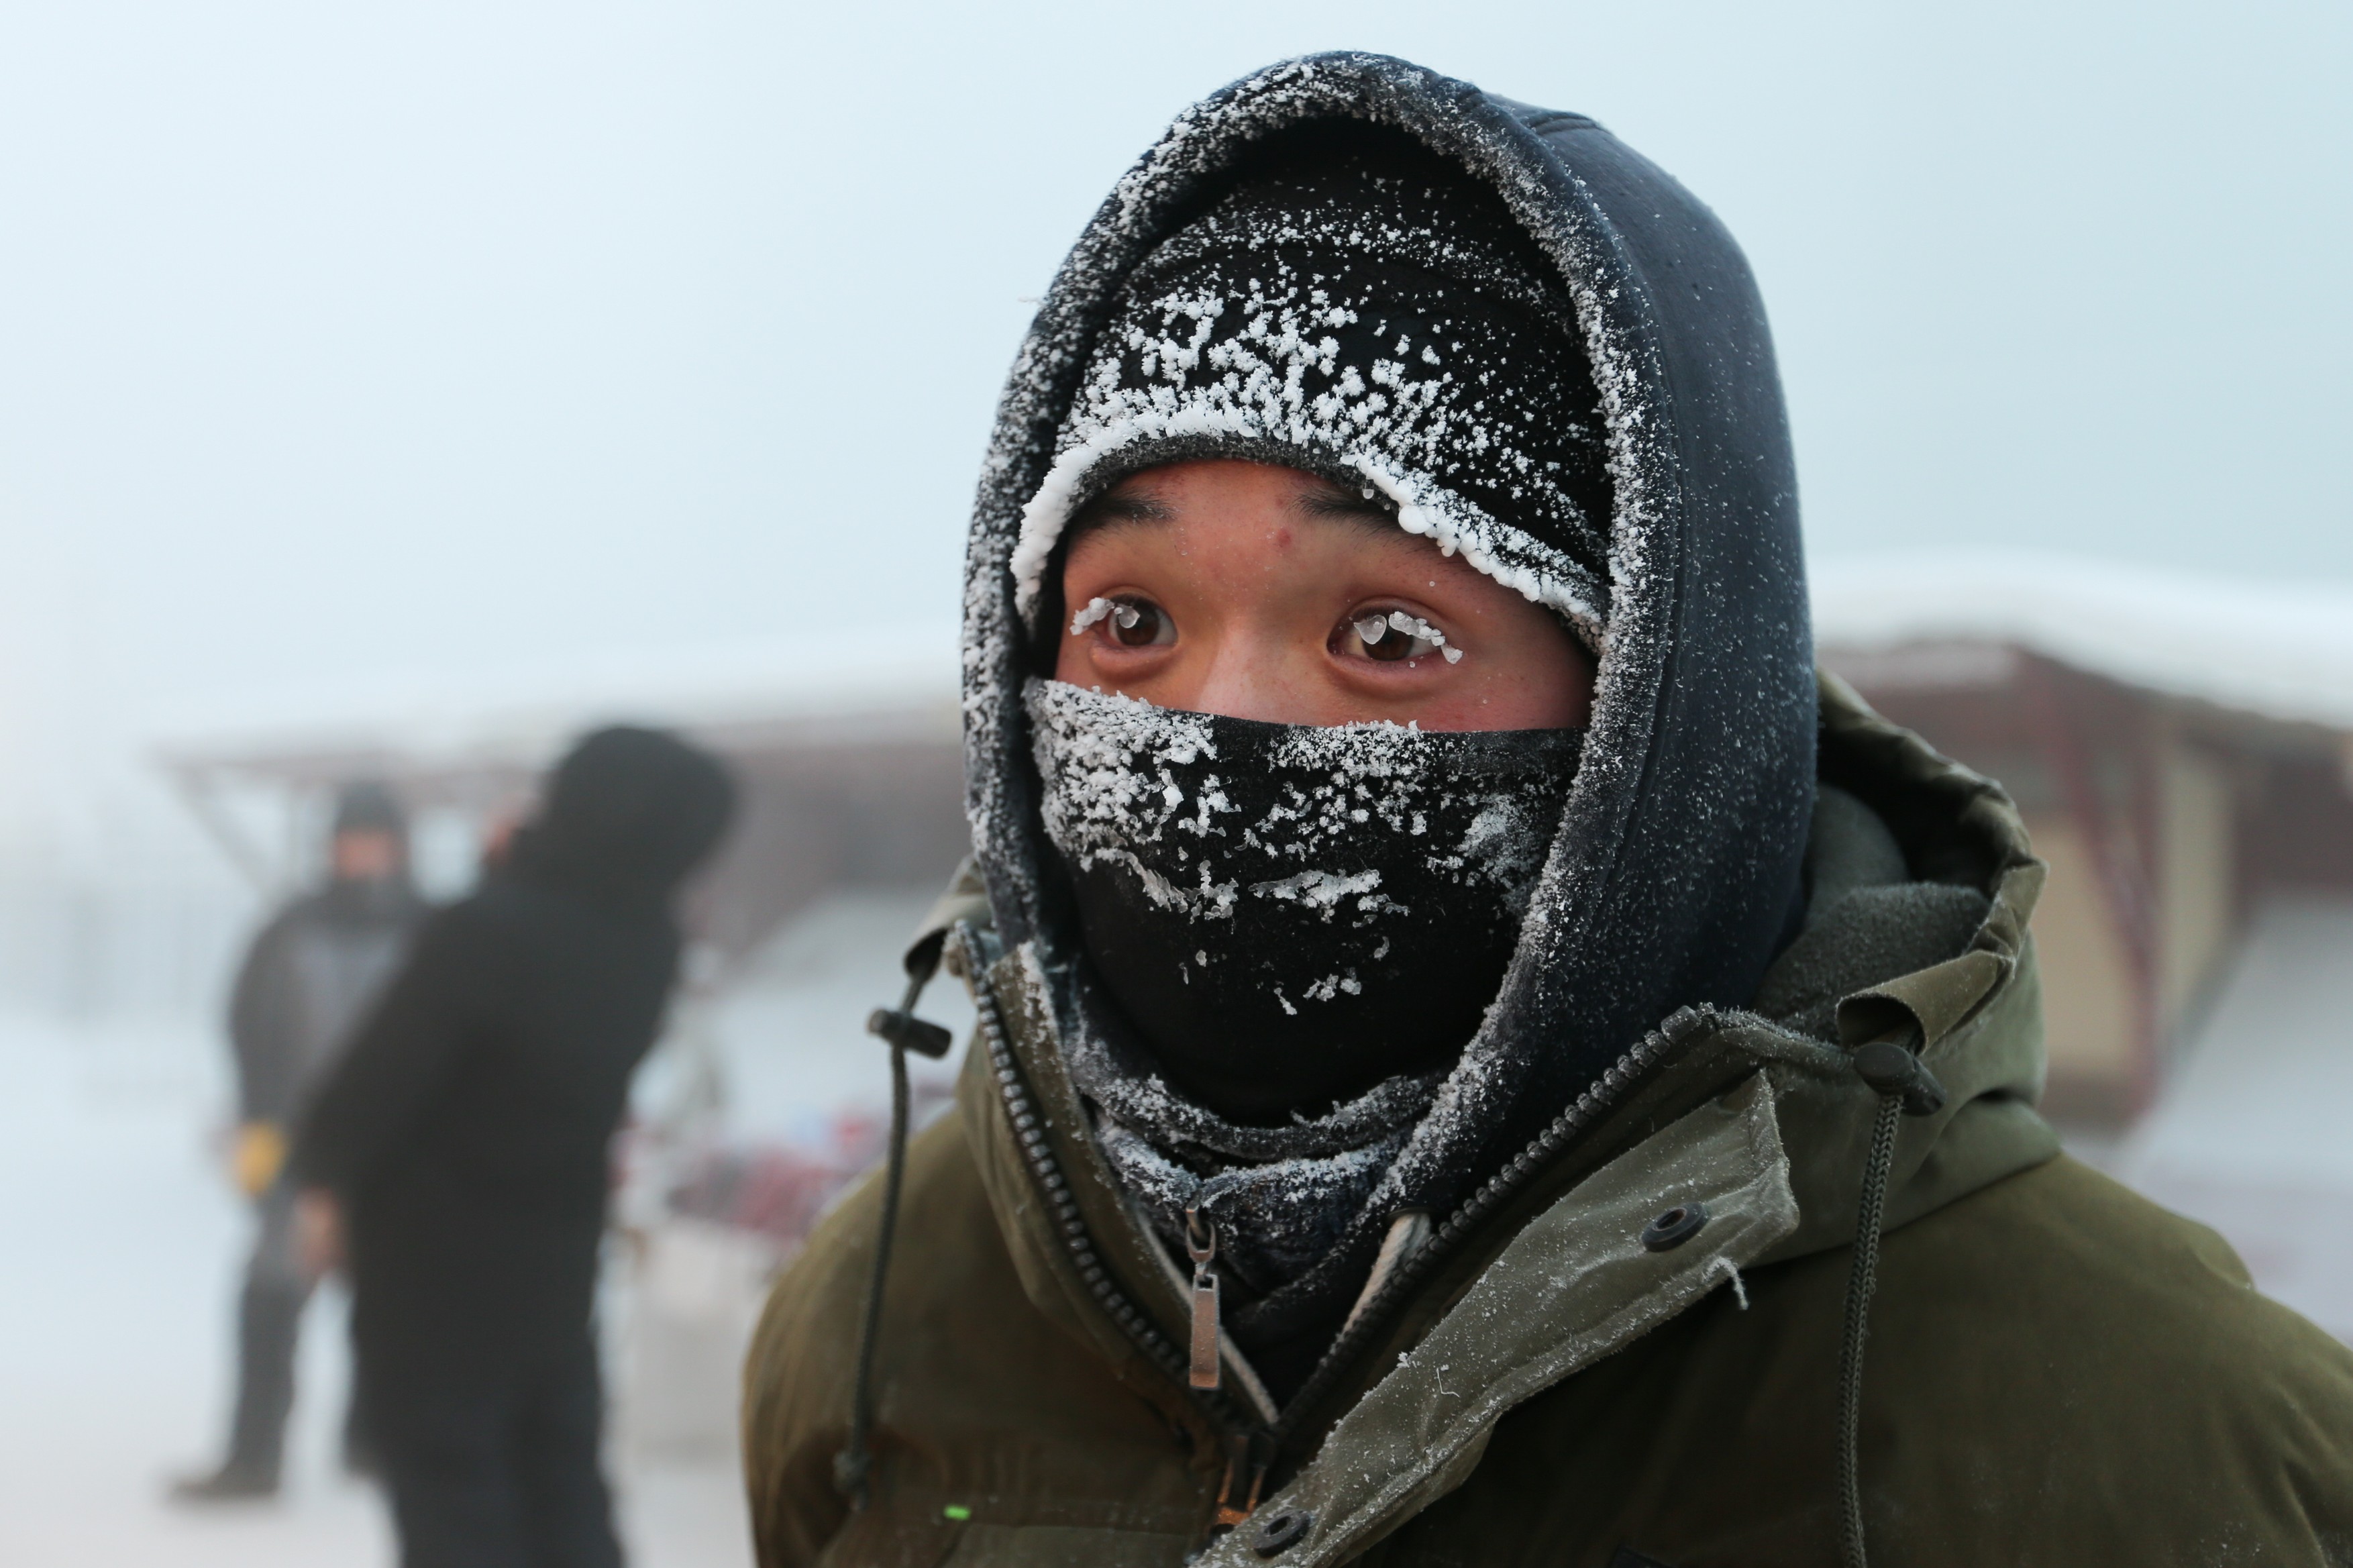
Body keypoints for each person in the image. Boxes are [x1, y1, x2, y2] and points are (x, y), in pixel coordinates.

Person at [740, 52, 2353, 1567]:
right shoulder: (887, 1322)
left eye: (1387, 635)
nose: (1219, 725)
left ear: (1651, 710)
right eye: (1131, 622)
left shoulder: (2157, 1446)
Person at [291, 727, 735, 1568]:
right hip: (555, 1267)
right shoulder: (649, 946)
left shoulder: (484, 932)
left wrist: (320, 1187)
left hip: (432, 1274)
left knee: (457, 1505)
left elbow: (374, 1086)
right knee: (561, 1487)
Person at [174, 780, 429, 1502]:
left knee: (390, 1305)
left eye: (377, 841)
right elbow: (245, 1025)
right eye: (352, 841)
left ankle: (373, 1441)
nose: (365, 855)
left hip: (400, 1151)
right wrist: (258, 1125)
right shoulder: (290, 929)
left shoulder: (431, 930)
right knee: (270, 1295)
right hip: (300, 1148)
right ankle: (253, 1458)